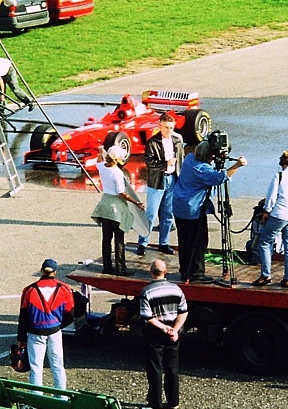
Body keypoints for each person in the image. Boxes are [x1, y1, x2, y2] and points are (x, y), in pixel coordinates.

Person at [172, 140, 246, 284]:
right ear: (209, 157)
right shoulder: (203, 170)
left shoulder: (189, 159)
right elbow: (220, 178)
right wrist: (237, 165)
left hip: (179, 206)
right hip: (192, 210)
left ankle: (185, 271)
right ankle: (196, 274)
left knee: (185, 241)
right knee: (199, 242)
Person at [252, 151, 288, 289]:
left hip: (280, 213)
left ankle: (266, 274)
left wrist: (266, 211)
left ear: (282, 163)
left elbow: (271, 197)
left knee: (265, 242)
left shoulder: (279, 175)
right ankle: (287, 279)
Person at [16, 258, 74, 390]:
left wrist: (21, 339)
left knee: (36, 367)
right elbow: (70, 315)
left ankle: (36, 400)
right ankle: (61, 397)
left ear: (41, 271)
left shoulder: (29, 290)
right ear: (55, 272)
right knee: (58, 365)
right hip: (54, 332)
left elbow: (23, 317)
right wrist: (57, 326)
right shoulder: (64, 289)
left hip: (35, 332)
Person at [139, 258, 188, 409]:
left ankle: (155, 403)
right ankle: (173, 401)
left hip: (155, 332)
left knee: (155, 367)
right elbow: (183, 311)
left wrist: (163, 328)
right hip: (173, 332)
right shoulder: (176, 289)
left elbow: (147, 316)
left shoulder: (147, 291)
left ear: (151, 272)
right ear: (165, 271)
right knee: (172, 367)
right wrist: (174, 329)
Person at [90, 145, 145, 276]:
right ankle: (121, 268)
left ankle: (107, 267)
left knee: (106, 238)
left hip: (105, 204)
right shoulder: (117, 173)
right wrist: (136, 203)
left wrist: (99, 152)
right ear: (115, 158)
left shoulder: (103, 167)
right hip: (116, 207)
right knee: (119, 239)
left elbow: (98, 162)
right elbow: (122, 193)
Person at [137, 113, 184, 256]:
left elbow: (181, 160)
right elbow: (149, 162)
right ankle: (142, 243)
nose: (169, 131)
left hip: (172, 180)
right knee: (151, 214)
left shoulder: (177, 141)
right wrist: (165, 164)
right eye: (166, 128)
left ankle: (164, 243)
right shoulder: (152, 142)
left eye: (171, 128)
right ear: (160, 126)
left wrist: (181, 177)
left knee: (168, 213)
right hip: (157, 181)